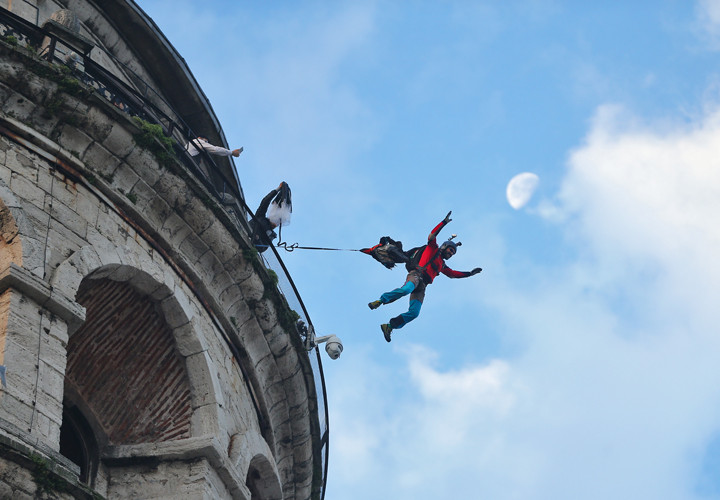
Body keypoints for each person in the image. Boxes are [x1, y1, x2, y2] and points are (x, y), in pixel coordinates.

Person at [368, 211, 482, 342]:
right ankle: (381, 300)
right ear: (444, 247)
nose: (451, 253)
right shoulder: (433, 249)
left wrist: (470, 273)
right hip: (416, 275)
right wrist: (443, 223)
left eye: (453, 253)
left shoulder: (442, 265)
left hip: (422, 286)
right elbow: (432, 235)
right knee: (406, 290)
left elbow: (453, 274)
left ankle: (389, 326)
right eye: (450, 250)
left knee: (414, 313)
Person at [250, 182, 291, 253]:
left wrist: (257, 239)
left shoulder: (272, 235)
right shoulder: (260, 216)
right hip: (245, 233)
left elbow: (262, 249)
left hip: (251, 246)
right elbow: (265, 201)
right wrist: (277, 189)